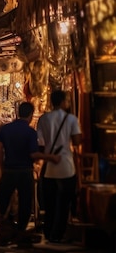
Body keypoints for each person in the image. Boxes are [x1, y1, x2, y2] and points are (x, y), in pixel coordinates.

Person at [0, 102, 61, 245]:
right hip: (25, 172)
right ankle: (20, 231)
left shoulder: (6, 129)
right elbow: (33, 154)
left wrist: (2, 168)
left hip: (9, 171)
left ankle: (6, 228)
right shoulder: (30, 132)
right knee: (25, 203)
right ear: (31, 115)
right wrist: (50, 157)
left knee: (4, 201)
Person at [36, 90, 82, 244]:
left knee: (49, 202)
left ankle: (48, 232)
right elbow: (76, 142)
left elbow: (40, 144)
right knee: (64, 202)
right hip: (66, 165)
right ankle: (59, 233)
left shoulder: (43, 119)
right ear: (63, 101)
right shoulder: (71, 119)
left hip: (49, 166)